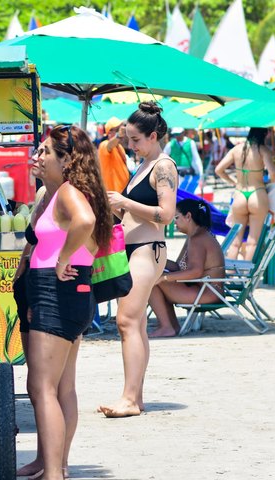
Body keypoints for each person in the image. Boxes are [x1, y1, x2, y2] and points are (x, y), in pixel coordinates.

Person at [14, 125, 113, 479]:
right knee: (60, 387)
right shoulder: (61, 192)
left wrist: (60, 259)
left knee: (43, 387)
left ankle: (54, 471)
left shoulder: (70, 193)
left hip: (57, 291)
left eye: (45, 152)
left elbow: (84, 222)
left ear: (67, 160)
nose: (37, 156)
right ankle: (54, 464)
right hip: (68, 293)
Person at [100, 101, 178, 418]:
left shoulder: (162, 166)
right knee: (137, 325)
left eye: (135, 139)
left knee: (127, 321)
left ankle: (130, 398)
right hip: (136, 247)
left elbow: (167, 214)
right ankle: (136, 396)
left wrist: (124, 202)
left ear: (154, 134)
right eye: (128, 139)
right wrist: (116, 206)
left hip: (147, 249)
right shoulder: (144, 165)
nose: (130, 145)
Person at [148, 199, 225, 337]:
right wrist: (156, 260)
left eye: (177, 217)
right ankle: (171, 325)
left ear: (188, 216)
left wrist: (164, 277)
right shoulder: (196, 236)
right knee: (154, 278)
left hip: (207, 292)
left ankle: (167, 326)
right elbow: (179, 267)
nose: (174, 222)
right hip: (205, 289)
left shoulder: (198, 239)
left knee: (151, 283)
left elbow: (195, 272)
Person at [214, 128, 275, 260]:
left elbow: (219, 170)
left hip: (239, 194)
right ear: (264, 134)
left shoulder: (236, 149)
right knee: (252, 241)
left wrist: (233, 182)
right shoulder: (263, 150)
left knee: (235, 242)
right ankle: (246, 274)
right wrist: (270, 185)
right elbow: (273, 174)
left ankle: (231, 273)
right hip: (258, 194)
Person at [164, 127, 203, 192]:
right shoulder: (171, 144)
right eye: (175, 134)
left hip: (188, 172)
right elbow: (164, 156)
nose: (176, 136)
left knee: (188, 192)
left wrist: (201, 173)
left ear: (183, 133)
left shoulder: (190, 142)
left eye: (178, 134)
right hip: (175, 173)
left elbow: (197, 158)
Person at [97, 117, 131, 193]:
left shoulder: (119, 146)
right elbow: (109, 145)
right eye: (118, 129)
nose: (121, 130)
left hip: (122, 193)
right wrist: (118, 135)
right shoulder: (103, 145)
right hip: (112, 194)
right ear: (109, 132)